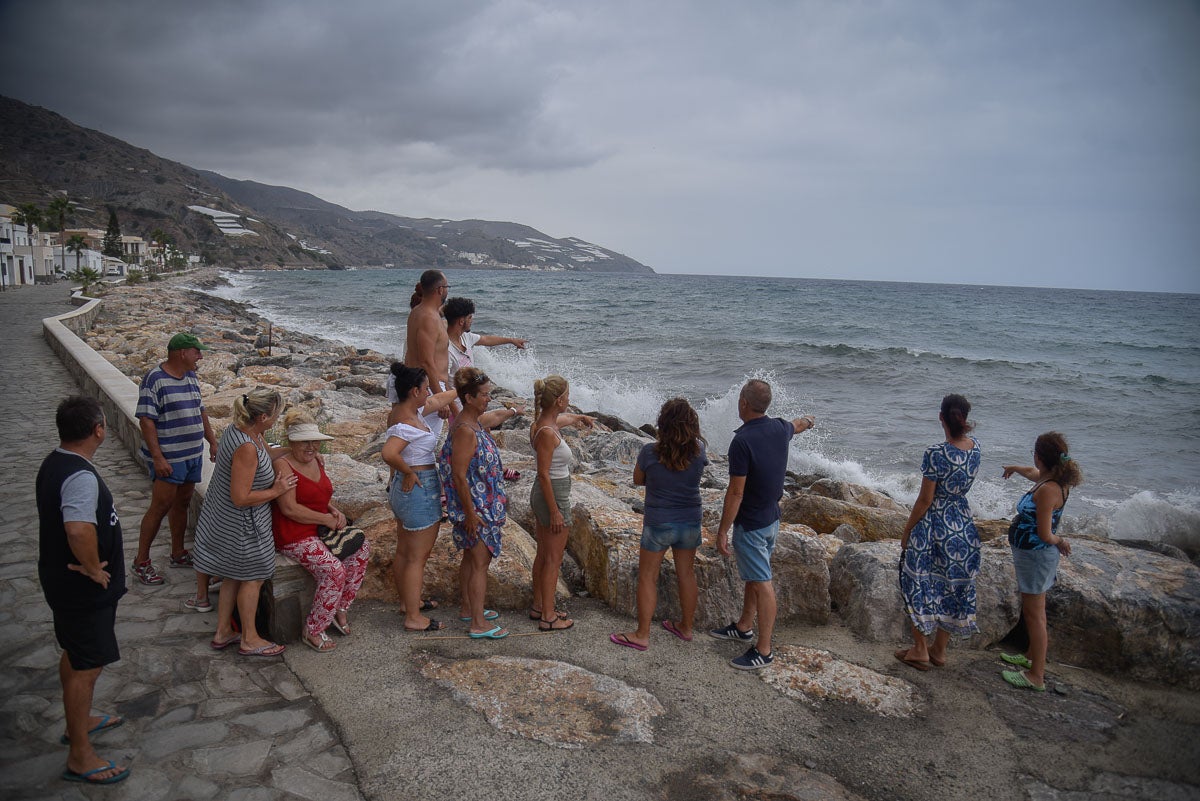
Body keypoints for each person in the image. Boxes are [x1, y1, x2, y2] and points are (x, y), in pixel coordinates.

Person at [36, 396, 130, 784]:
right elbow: (77, 528)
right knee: (86, 668)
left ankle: (81, 723)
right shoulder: (80, 476)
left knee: (75, 656)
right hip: (81, 589)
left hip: (61, 582)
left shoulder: (55, 462)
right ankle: (80, 755)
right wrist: (93, 569)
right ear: (98, 430)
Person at [712, 379, 815, 669]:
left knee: (762, 582)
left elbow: (735, 492)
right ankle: (744, 625)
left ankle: (764, 649)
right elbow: (797, 425)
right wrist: (809, 420)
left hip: (752, 524)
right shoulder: (780, 428)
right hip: (771, 519)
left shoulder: (742, 441)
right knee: (756, 577)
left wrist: (723, 531)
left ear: (743, 403)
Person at [192, 388, 296, 657]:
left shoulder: (245, 431)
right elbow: (240, 497)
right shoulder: (247, 447)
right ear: (263, 417)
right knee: (254, 577)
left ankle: (223, 631)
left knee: (233, 577)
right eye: (276, 415)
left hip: (230, 521)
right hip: (241, 525)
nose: (277, 420)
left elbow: (266, 456)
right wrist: (277, 490)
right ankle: (249, 638)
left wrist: (294, 450)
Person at [611, 398, 708, 652]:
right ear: (691, 425)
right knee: (686, 574)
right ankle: (685, 627)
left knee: (648, 577)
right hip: (690, 520)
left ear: (662, 424)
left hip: (658, 522)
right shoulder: (699, 451)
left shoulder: (649, 452)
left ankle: (642, 634)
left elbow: (637, 479)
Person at [271, 409, 371, 653]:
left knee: (361, 549)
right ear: (291, 441)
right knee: (333, 570)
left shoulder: (317, 460)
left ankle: (340, 607)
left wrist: (333, 510)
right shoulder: (284, 466)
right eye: (305, 441)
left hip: (318, 525)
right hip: (293, 533)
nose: (311, 446)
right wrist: (325, 519)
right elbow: (290, 509)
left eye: (314, 440)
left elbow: (317, 495)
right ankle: (313, 629)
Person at [896, 394, 981, 672]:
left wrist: (907, 531)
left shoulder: (936, 453)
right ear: (965, 419)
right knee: (953, 586)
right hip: (963, 524)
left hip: (934, 525)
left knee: (917, 582)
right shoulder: (975, 448)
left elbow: (925, 500)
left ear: (941, 417)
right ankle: (940, 650)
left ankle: (920, 649)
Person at [439, 367, 523, 639]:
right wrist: (471, 514)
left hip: (482, 502)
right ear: (469, 397)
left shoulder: (473, 421)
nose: (489, 399)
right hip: (477, 506)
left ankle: (468, 608)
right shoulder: (465, 429)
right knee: (479, 563)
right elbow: (458, 475)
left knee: (470, 558)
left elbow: (495, 417)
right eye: (484, 395)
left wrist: (512, 411)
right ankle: (478, 623)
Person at [131, 332, 217, 588]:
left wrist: (211, 441)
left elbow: (200, 410)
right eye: (196, 351)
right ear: (182, 353)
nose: (200, 356)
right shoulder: (154, 379)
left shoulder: (191, 376)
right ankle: (141, 561)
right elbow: (146, 420)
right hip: (170, 458)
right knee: (160, 507)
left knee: (183, 503)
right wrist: (158, 458)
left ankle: (178, 553)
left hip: (191, 454)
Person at [999, 432, 1081, 691]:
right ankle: (1031, 656)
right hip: (1033, 556)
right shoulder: (1051, 479)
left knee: (1035, 615)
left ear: (1039, 456)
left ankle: (1036, 676)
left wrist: (1060, 541)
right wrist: (1013, 468)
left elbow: (1045, 533)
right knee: (1036, 610)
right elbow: (1031, 471)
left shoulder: (1048, 490)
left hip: (1036, 556)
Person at [382, 362, 458, 631]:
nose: (429, 392)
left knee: (404, 551)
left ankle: (408, 603)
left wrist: (462, 388)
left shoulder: (403, 411)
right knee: (417, 557)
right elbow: (389, 453)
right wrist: (408, 472)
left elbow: (439, 399)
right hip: (418, 486)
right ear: (414, 391)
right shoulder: (406, 423)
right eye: (425, 388)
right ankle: (414, 618)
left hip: (405, 490)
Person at [529, 375, 595, 631]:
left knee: (544, 555)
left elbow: (560, 421)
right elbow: (543, 473)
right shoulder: (546, 432)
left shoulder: (544, 423)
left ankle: (539, 606)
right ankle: (548, 616)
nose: (570, 399)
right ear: (558, 401)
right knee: (553, 559)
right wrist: (556, 511)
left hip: (550, 493)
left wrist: (578, 418)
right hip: (552, 495)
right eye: (567, 396)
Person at [392, 269, 451, 427]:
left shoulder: (419, 312)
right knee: (423, 441)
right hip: (428, 386)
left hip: (420, 383)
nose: (447, 291)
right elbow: (426, 361)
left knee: (414, 436)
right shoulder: (429, 318)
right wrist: (440, 397)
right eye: (447, 287)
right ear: (440, 290)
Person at [443, 296, 528, 379]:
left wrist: (511, 340)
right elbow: (443, 381)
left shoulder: (465, 337)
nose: (472, 320)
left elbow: (486, 339)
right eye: (470, 317)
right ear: (461, 321)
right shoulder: (446, 350)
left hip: (473, 386)